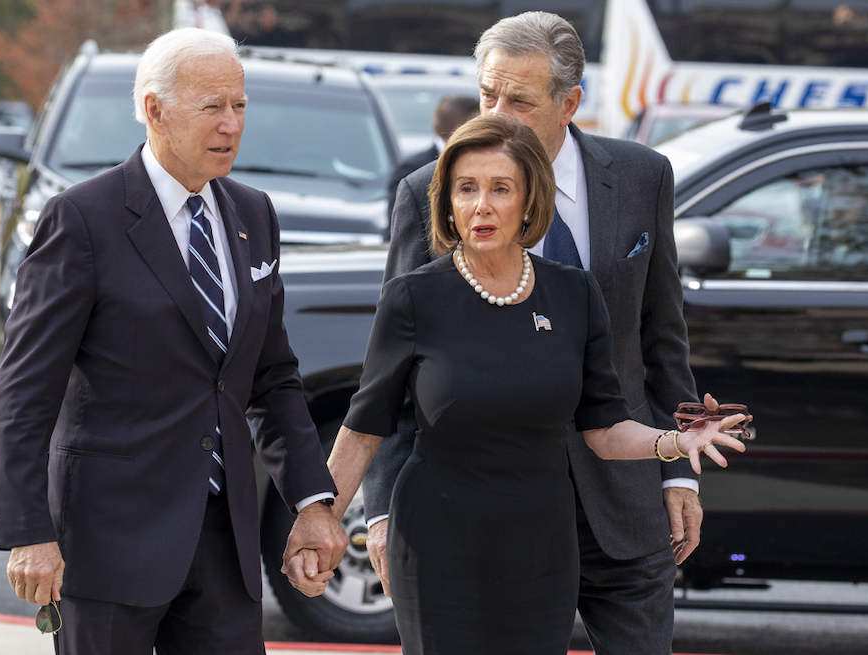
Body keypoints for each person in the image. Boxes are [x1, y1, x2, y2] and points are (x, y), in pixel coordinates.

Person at [286, 113, 746, 654]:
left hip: (542, 546)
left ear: (530, 201)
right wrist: (317, 519)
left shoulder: (575, 295)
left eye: (500, 188)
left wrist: (674, 441)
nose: (481, 205)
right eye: (466, 189)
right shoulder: (413, 298)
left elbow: (604, 429)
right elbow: (364, 427)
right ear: (447, 204)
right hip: (438, 542)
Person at [0, 28, 347, 655]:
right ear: (155, 110)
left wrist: (312, 504)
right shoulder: (82, 219)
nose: (232, 124)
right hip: (108, 545)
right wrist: (27, 532)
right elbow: (24, 391)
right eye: (212, 107)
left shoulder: (254, 214)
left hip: (224, 544)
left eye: (239, 105)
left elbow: (271, 378)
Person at [363, 12, 702, 654]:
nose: (496, 114)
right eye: (487, 95)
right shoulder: (433, 192)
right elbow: (393, 376)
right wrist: (381, 511)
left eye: (518, 100)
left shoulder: (642, 177)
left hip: (623, 507)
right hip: (482, 512)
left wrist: (679, 472)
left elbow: (663, 339)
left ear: (569, 104)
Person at [386, 94, 479, 220]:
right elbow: (399, 224)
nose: (486, 133)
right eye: (479, 127)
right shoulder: (412, 170)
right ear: (458, 130)